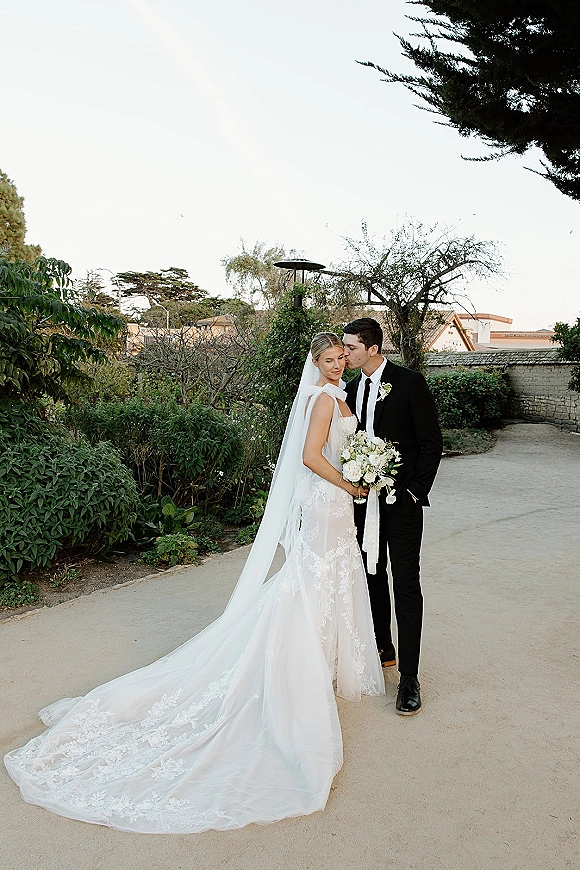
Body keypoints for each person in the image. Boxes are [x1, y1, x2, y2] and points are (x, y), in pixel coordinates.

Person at [4, 333, 384, 834]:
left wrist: (363, 465)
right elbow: (312, 458)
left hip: (337, 508)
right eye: (329, 360)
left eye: (341, 359)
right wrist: (351, 482)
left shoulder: (341, 396)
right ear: (315, 363)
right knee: (310, 581)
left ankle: (327, 662)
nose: (337, 365)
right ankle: (296, 669)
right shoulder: (319, 399)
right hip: (326, 502)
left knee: (333, 576)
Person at [342, 318, 442, 716]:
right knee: (370, 575)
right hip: (363, 503)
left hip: (402, 504)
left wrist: (415, 493)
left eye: (350, 347)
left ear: (371, 348)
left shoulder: (409, 383)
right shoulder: (350, 389)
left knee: (406, 582)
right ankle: (383, 645)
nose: (345, 354)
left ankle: (409, 677)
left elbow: (431, 442)